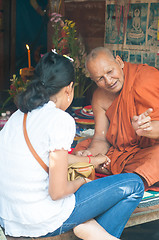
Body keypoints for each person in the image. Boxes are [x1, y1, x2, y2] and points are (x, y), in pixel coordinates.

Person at [0, 51, 144, 240]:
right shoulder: (60, 119)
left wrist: (91, 161)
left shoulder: (18, 116)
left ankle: (92, 229)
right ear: (69, 88)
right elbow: (58, 192)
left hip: (10, 220)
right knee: (134, 184)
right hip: (42, 220)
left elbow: (49, 159)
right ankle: (91, 228)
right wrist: (82, 182)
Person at [75, 46, 159, 191]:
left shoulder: (148, 77)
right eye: (100, 78)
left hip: (151, 149)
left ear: (119, 62)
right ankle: (129, 176)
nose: (108, 81)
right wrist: (91, 154)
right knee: (82, 148)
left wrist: (147, 129)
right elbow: (101, 138)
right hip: (125, 152)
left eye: (110, 72)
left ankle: (115, 174)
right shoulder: (99, 96)